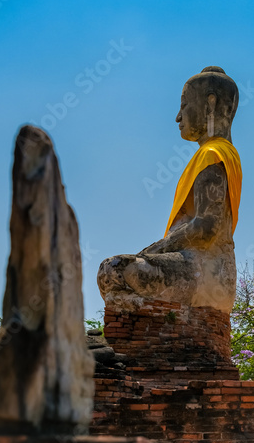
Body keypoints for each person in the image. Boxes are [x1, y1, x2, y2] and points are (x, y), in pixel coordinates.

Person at [97, 67, 242, 313]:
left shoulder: (213, 154)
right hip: (206, 270)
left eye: (184, 105)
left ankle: (136, 339)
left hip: (204, 270)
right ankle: (142, 335)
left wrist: (157, 247)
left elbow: (207, 227)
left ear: (210, 103)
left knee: (113, 270)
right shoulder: (214, 154)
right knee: (118, 270)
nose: (178, 116)